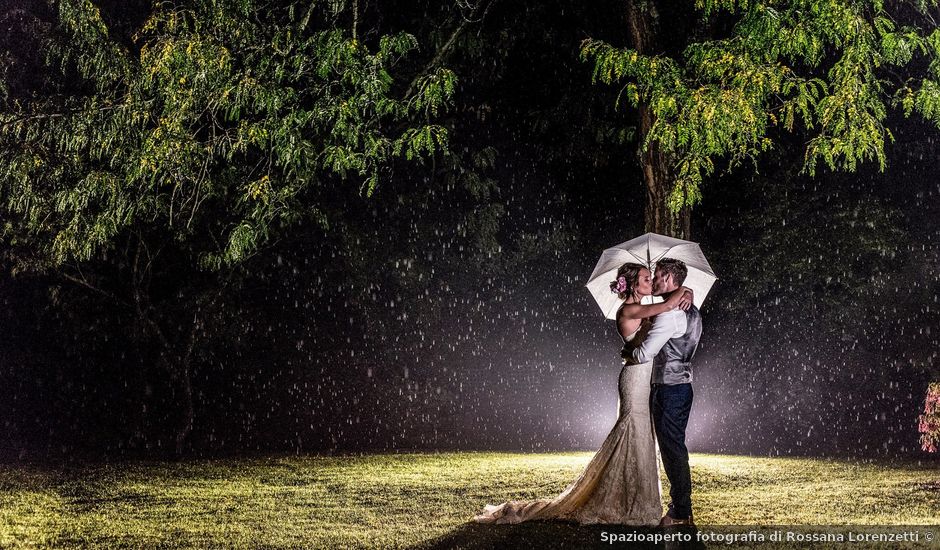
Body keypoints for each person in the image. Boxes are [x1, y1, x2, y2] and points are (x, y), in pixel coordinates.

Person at [472, 262, 692, 525]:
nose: (651, 282)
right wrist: (685, 289)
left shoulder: (644, 309)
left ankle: (639, 498)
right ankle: (626, 500)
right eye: (646, 278)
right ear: (633, 284)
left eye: (652, 278)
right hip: (635, 378)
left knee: (643, 436)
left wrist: (682, 292)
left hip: (648, 378)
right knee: (631, 431)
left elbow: (663, 311)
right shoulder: (630, 309)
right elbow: (667, 306)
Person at [626, 258, 702, 527]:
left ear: (670, 278)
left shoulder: (670, 314)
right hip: (683, 386)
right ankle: (683, 509)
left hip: (669, 389)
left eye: (658, 276)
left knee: (672, 449)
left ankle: (681, 511)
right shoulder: (693, 310)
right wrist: (687, 291)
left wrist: (629, 353)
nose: (655, 280)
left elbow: (646, 353)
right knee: (674, 448)